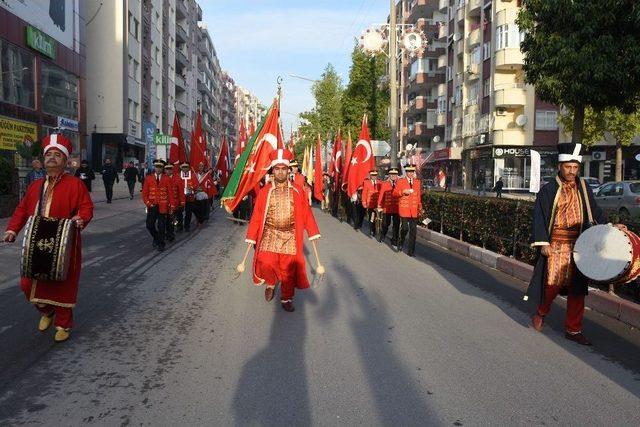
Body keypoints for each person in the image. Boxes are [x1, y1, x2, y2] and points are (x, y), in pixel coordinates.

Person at [3, 134, 94, 343]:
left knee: (63, 284)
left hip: (64, 243)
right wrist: (12, 230)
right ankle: (46, 310)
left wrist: (81, 218)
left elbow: (86, 207)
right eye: (49, 155)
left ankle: (63, 324)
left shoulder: (75, 184)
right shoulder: (35, 186)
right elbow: (22, 210)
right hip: (36, 242)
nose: (52, 158)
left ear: (64, 160)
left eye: (57, 155)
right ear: (44, 159)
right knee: (27, 284)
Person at [528, 142, 619, 346]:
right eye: (568, 167)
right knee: (552, 285)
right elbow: (540, 217)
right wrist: (543, 243)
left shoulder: (584, 188)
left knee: (578, 290)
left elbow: (594, 212)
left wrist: (610, 226)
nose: (572, 171)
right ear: (559, 167)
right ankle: (542, 312)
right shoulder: (549, 190)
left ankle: (574, 329)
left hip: (579, 245)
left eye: (575, 167)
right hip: (556, 245)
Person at [245, 149, 321, 312]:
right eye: (277, 169)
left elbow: (307, 213)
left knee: (288, 269)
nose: (280, 172)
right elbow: (257, 215)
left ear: (288, 171)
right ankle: (271, 282)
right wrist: (252, 235)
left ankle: (286, 297)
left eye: (283, 169)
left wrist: (313, 232)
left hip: (290, 236)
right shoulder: (265, 191)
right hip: (269, 234)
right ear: (273, 170)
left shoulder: (297, 190)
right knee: (265, 262)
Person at [142, 159, 173, 251]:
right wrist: (148, 203)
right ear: (154, 167)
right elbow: (144, 194)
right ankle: (156, 237)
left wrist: (172, 205)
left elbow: (170, 193)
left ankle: (161, 244)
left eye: (160, 167)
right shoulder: (148, 178)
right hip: (152, 205)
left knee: (161, 226)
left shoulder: (167, 178)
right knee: (149, 225)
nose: (158, 169)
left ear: (162, 168)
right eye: (156, 167)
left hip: (163, 206)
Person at [394, 165, 422, 257]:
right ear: (406, 172)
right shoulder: (400, 181)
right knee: (405, 228)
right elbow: (394, 193)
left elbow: (418, 196)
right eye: (409, 172)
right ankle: (400, 242)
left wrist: (420, 208)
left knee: (413, 231)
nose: (410, 173)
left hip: (414, 210)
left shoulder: (417, 182)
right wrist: (403, 192)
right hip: (404, 209)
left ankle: (411, 251)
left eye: (412, 172)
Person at [377, 168, 401, 248]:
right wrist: (379, 205)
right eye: (392, 174)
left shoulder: (400, 183)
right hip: (387, 207)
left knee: (396, 225)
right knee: (385, 223)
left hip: (397, 207)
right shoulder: (385, 183)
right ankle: (382, 234)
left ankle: (394, 240)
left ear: (397, 175)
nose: (393, 176)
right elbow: (381, 195)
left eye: (395, 174)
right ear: (389, 175)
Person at [165, 163, 184, 241]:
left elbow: (181, 191)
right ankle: (168, 232)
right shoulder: (162, 178)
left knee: (172, 219)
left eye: (170, 169)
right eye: (167, 169)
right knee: (165, 220)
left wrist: (182, 202)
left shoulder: (177, 178)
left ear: (172, 170)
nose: (169, 171)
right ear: (165, 170)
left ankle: (171, 233)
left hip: (175, 202)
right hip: (164, 203)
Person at [178, 162, 198, 232]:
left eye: (186, 167)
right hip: (180, 198)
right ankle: (179, 226)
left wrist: (191, 187)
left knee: (188, 212)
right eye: (183, 167)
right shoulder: (178, 175)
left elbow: (196, 184)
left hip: (190, 197)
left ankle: (187, 226)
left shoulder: (192, 175)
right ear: (181, 168)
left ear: (188, 168)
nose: (185, 168)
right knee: (179, 213)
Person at [361, 169, 381, 236]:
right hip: (370, 203)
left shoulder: (380, 182)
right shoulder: (367, 182)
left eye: (375, 175)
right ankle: (372, 229)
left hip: (377, 203)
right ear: (370, 176)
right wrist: (364, 201)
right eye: (373, 175)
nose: (374, 176)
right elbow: (364, 193)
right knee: (371, 216)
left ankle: (377, 228)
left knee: (377, 217)